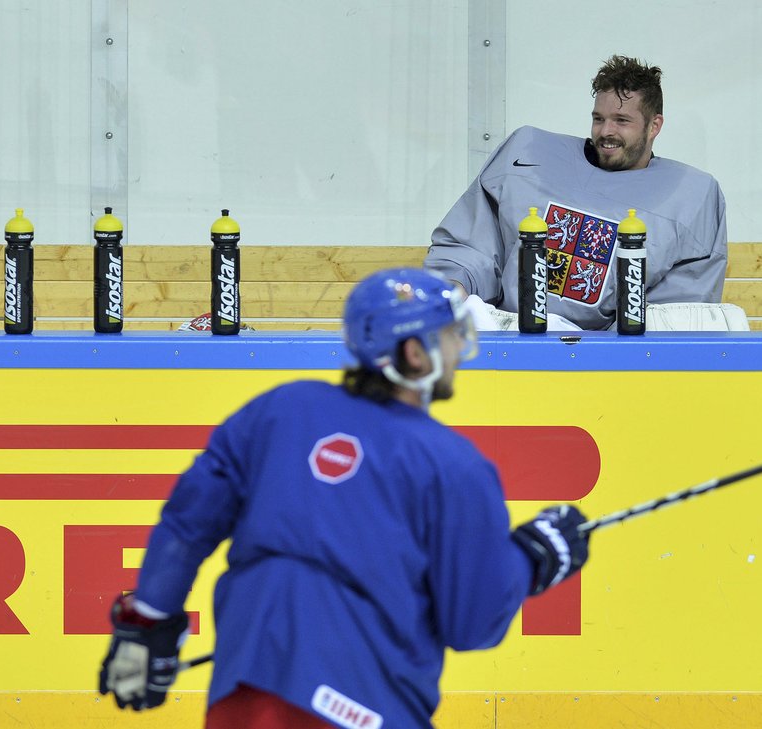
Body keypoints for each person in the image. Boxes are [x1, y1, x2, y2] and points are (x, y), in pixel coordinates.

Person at [98, 268, 591, 728]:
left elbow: (187, 525)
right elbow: (472, 623)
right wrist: (532, 559)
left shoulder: (279, 411)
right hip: (363, 708)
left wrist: (149, 624)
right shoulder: (453, 465)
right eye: (449, 335)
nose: (460, 348)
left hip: (246, 689)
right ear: (415, 354)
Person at [425, 54, 728, 331]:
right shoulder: (527, 155)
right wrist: (455, 285)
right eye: (599, 119)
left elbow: (675, 309)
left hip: (609, 360)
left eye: (622, 121)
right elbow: (474, 246)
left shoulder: (692, 196)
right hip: (511, 338)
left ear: (654, 126)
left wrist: (606, 354)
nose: (606, 131)